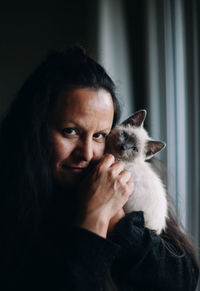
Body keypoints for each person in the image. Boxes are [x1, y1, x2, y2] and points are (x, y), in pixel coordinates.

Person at [0, 45, 199, 291]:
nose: (87, 153)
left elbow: (184, 279)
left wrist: (119, 222)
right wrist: (94, 218)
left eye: (99, 135)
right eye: (70, 131)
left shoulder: (125, 179)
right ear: (35, 128)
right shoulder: (10, 209)